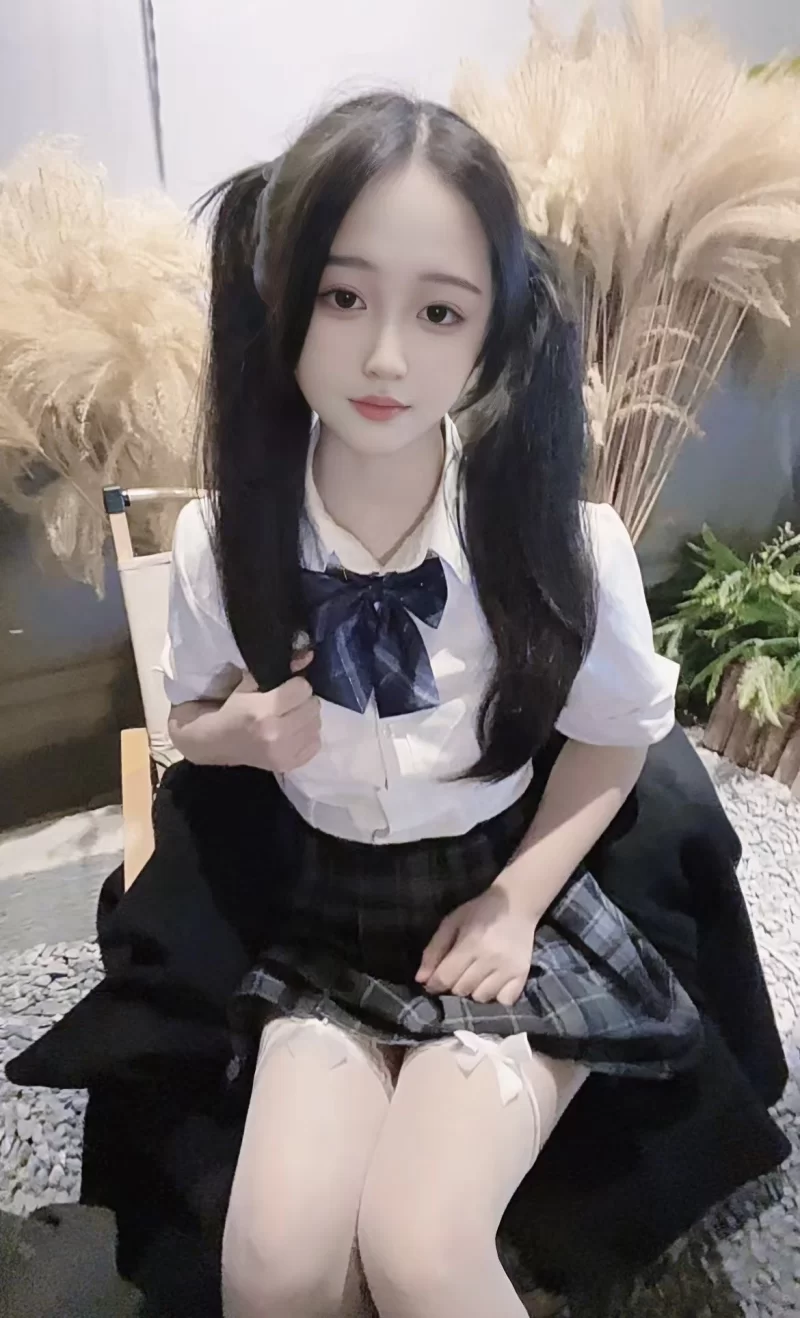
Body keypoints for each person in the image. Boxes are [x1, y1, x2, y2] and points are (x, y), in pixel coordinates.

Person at [6, 92, 788, 1318]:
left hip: (502, 901)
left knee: (420, 1251)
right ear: (281, 298)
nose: (383, 357)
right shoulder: (221, 542)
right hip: (320, 917)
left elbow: (614, 740)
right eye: (340, 296)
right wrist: (235, 735)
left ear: (489, 333)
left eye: (437, 312)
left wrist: (515, 903)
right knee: (273, 1269)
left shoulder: (562, 544)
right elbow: (187, 722)